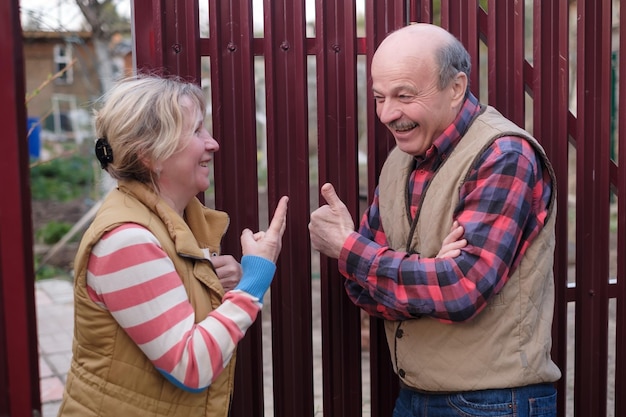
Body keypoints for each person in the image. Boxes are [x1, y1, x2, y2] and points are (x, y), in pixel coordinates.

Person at [309, 23, 561, 416]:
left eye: (404, 96)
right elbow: (361, 289)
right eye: (379, 97)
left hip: (492, 402)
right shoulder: (398, 161)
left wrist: (350, 249)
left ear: (456, 87)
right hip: (414, 396)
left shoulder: (504, 155)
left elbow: (461, 290)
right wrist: (429, 277)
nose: (388, 113)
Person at [57, 74, 289, 417]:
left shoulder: (170, 222)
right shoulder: (127, 240)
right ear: (151, 155)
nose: (213, 143)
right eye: (196, 131)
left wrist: (221, 283)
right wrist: (255, 279)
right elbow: (190, 366)